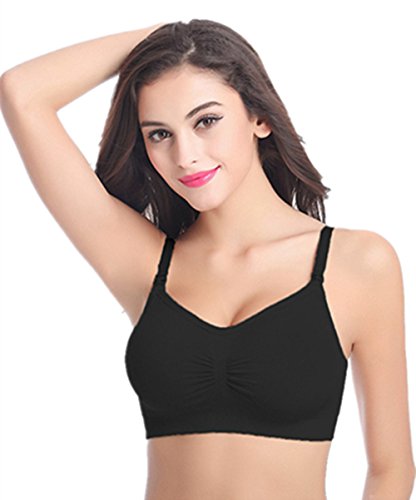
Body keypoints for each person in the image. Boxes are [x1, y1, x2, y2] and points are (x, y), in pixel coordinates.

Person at [1, 19, 415, 500]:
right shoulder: (146, 265)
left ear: (260, 118)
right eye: (160, 134)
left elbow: (391, 469)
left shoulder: (357, 264)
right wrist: (167, 34)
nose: (185, 155)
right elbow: (21, 92)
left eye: (206, 121)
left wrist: (193, 38)